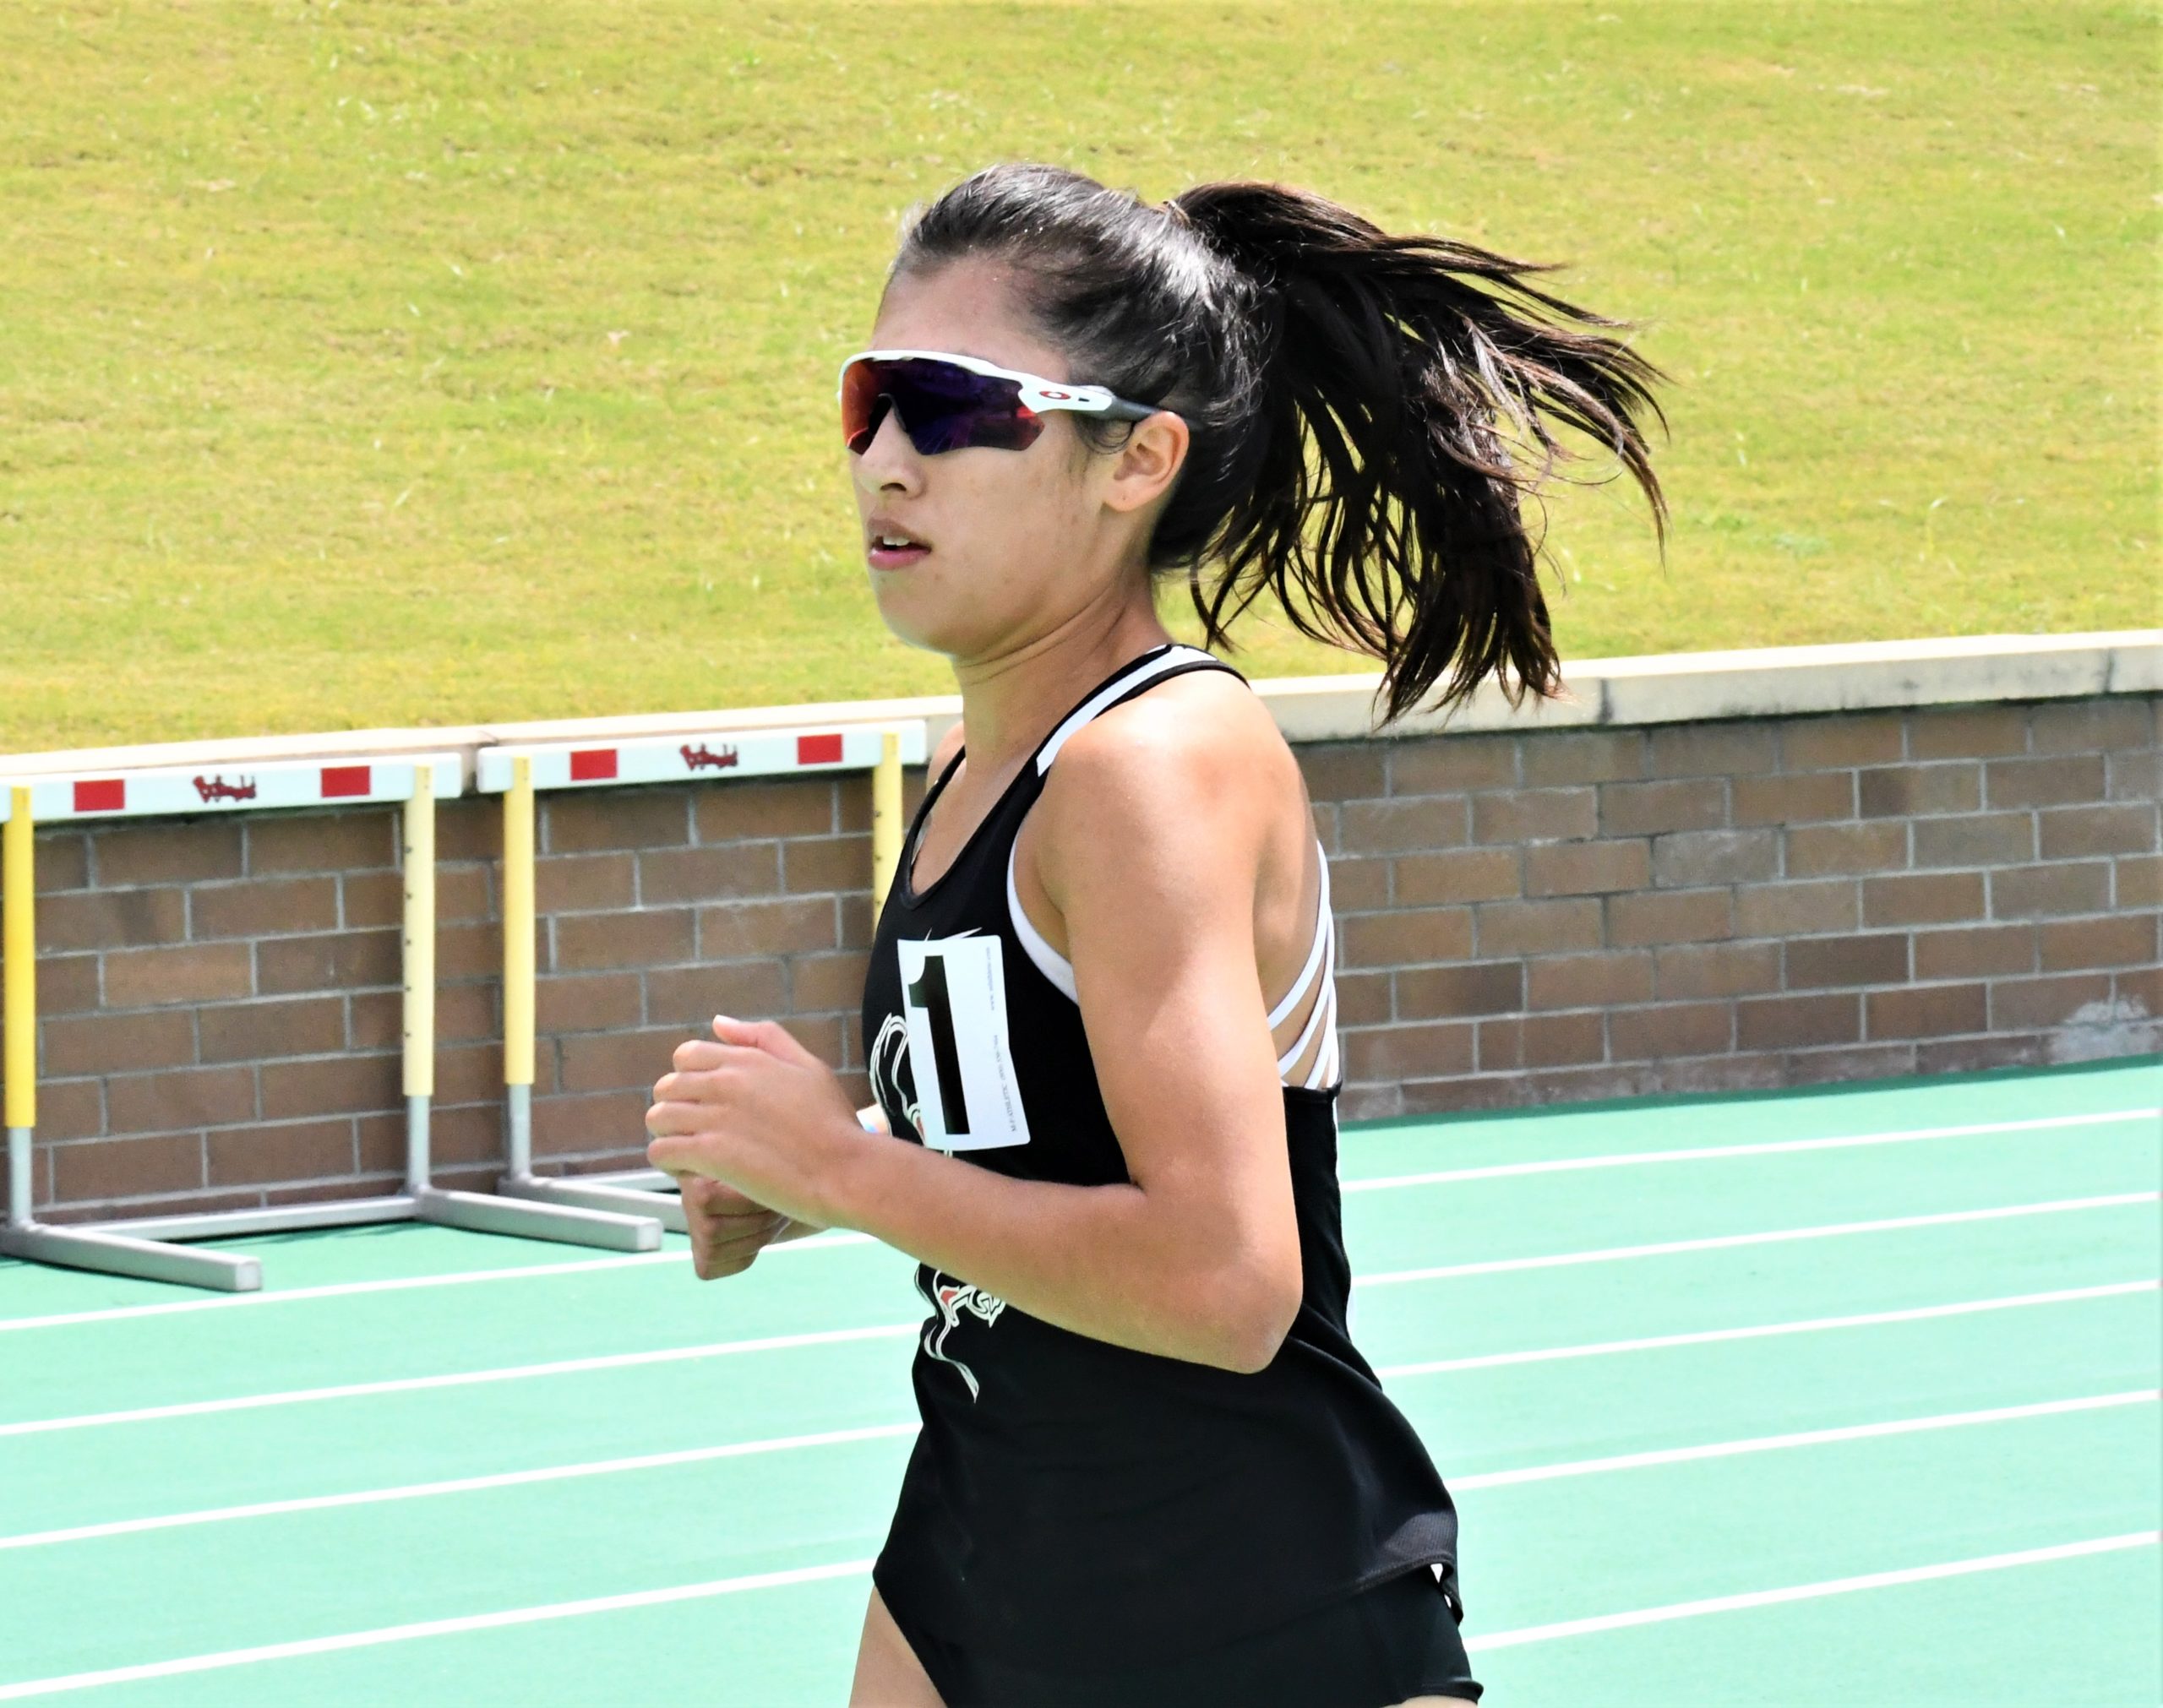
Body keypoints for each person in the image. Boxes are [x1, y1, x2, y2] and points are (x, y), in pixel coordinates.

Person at [646, 163, 1669, 1707]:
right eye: (867, 398)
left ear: (1138, 460)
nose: (886, 461)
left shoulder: (1148, 765)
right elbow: (1053, 1134)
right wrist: (805, 1180)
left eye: (954, 404)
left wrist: (855, 1172)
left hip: (1243, 1599)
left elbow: (1222, 1276)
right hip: (991, 1540)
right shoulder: (984, 760)